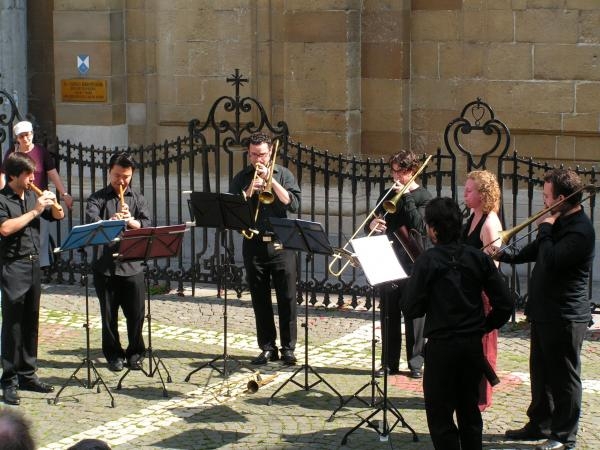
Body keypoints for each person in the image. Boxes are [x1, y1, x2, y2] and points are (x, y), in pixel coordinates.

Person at [403, 197, 513, 450]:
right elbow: (505, 304)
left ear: (433, 229)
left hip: (442, 348)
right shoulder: (477, 258)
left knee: (440, 417)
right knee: (469, 413)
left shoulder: (428, 260)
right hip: (471, 347)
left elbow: (410, 308)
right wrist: (483, 326)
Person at [499, 169, 595, 450]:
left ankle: (564, 436)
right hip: (544, 312)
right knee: (541, 374)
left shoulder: (580, 231)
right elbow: (534, 252)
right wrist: (503, 254)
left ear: (561, 199)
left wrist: (544, 228)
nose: (544, 201)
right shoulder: (559, 222)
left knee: (564, 378)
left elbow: (551, 259)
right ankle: (539, 424)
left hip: (565, 315)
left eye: (547, 196)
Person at [229, 132, 301, 366]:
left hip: (281, 244)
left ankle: (288, 348)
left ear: (270, 152)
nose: (257, 159)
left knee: (287, 298)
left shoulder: (284, 174)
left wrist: (272, 181)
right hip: (254, 243)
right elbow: (233, 209)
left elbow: (294, 204)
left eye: (261, 154)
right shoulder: (242, 177)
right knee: (260, 299)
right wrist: (251, 189)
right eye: (253, 154)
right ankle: (268, 347)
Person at [0, 152, 64, 406]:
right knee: (13, 324)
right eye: (28, 175)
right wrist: (36, 211)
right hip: (13, 266)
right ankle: (8, 380)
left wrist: (54, 204)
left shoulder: (32, 196)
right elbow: (5, 228)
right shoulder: (2, 199)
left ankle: (27, 374)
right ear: (14, 175)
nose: (32, 180)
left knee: (31, 321)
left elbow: (58, 216)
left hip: (33, 264)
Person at [367, 149, 431, 378]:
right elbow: (372, 220)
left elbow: (420, 227)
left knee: (415, 315)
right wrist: (373, 224)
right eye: (393, 172)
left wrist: (405, 196)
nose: (395, 177)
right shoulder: (386, 194)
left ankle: (416, 363)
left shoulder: (424, 197)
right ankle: (388, 362)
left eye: (400, 172)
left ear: (412, 171)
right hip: (389, 258)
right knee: (388, 312)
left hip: (413, 261)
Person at [86, 152, 151, 372]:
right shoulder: (97, 199)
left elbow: (147, 224)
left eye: (126, 176)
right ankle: (113, 354)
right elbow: (92, 222)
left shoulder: (138, 198)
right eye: (117, 176)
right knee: (108, 315)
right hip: (105, 266)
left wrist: (131, 220)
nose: (121, 181)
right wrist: (111, 221)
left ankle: (136, 353)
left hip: (132, 265)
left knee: (136, 314)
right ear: (109, 172)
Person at [1, 120, 74, 270]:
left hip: (36, 197)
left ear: (32, 134)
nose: (25, 139)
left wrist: (63, 194)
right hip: (16, 198)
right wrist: (4, 193)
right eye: (21, 136)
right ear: (17, 138)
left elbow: (53, 174)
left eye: (27, 135)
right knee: (20, 233)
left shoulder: (41, 152)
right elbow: (3, 175)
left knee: (40, 235)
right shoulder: (12, 153)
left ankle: (40, 266)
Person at [462, 170, 504, 411]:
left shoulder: (489, 223)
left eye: (469, 191)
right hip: (470, 290)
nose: (465, 194)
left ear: (483, 194)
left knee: (484, 345)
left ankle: (482, 398)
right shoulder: (472, 215)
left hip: (484, 292)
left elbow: (494, 265)